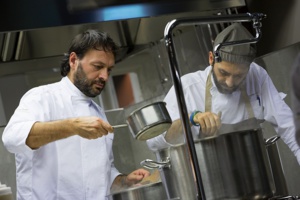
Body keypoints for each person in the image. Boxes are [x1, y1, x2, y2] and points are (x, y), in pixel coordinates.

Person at [2, 30, 150, 200]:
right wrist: (72, 127)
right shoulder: (41, 97)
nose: (105, 76)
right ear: (73, 60)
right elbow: (12, 138)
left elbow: (102, 175)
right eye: (98, 66)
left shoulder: (97, 112)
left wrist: (124, 181)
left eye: (109, 69)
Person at [147, 23, 300, 165]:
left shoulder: (257, 75)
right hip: (209, 182)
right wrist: (190, 119)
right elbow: (154, 142)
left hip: (256, 175)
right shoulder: (187, 87)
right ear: (211, 58)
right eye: (223, 73)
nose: (230, 82)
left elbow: (289, 127)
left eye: (239, 76)